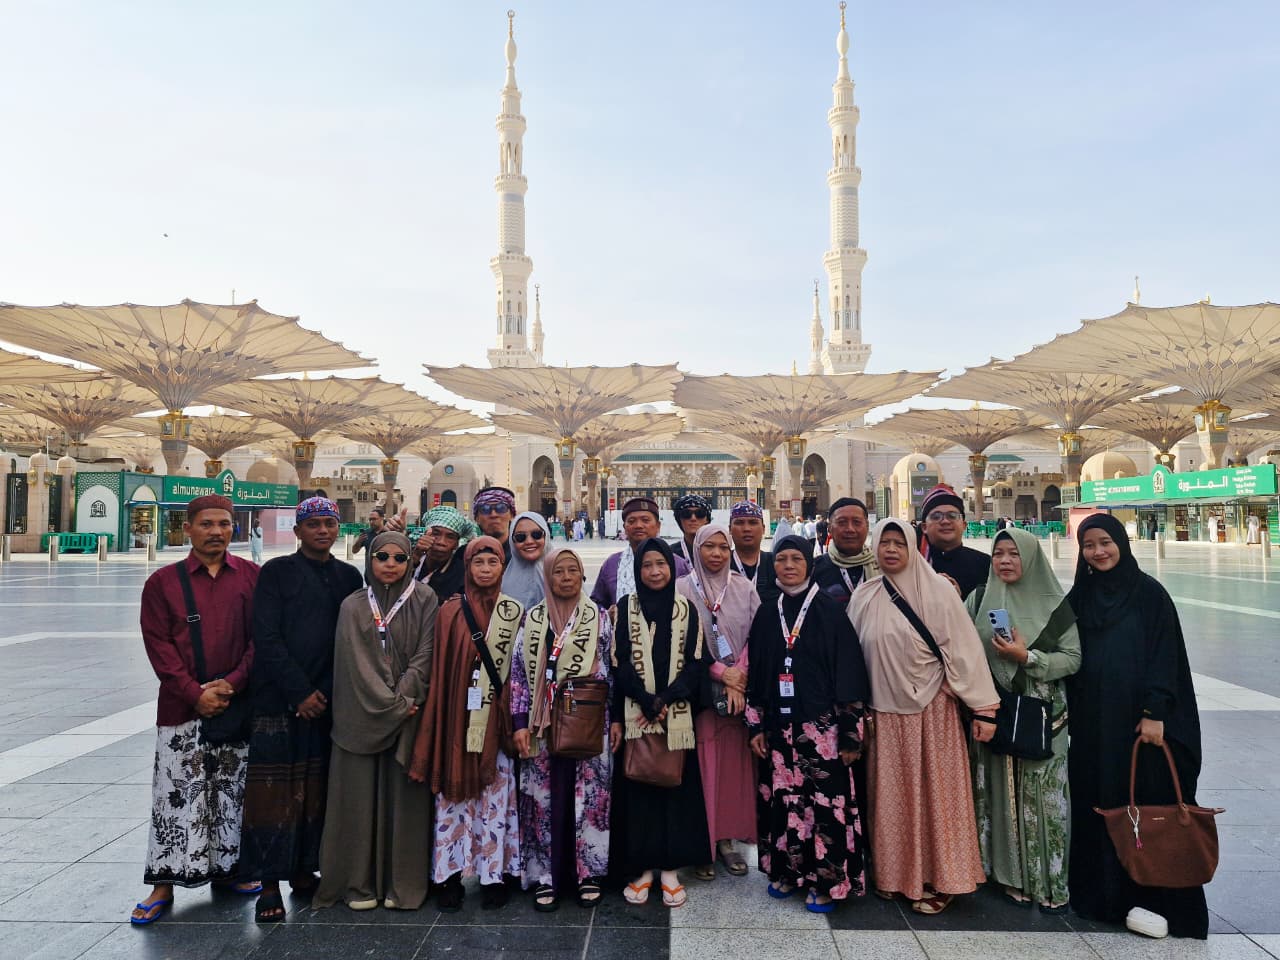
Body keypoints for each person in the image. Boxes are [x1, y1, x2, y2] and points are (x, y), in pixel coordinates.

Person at [1065, 514, 1207, 939]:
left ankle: (1158, 903)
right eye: (1089, 545)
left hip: (1140, 727)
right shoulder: (1081, 596)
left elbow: (1166, 655)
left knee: (1147, 807)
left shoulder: (1149, 595)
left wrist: (1155, 712)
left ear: (1121, 544)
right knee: (1100, 806)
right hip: (1094, 726)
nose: (1098, 552)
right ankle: (1105, 901)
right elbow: (1059, 648)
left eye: (1105, 542)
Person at [849, 518, 999, 915]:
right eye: (885, 542)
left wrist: (983, 709)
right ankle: (897, 876)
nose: (891, 550)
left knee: (936, 800)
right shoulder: (865, 595)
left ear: (914, 547)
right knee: (892, 801)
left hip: (932, 713)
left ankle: (942, 881)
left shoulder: (937, 592)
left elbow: (965, 651)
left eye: (900, 543)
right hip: (884, 714)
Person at [131, 495, 260, 925]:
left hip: (236, 704)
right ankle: (163, 884)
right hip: (181, 709)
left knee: (231, 793)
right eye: (206, 524)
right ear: (188, 528)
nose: (217, 532)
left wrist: (233, 683)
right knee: (176, 797)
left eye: (224, 523)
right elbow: (159, 645)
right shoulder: (162, 583)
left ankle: (230, 871)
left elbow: (261, 639)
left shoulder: (252, 577)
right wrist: (194, 693)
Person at [239, 497, 364, 923]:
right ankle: (269, 883)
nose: (323, 531)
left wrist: (321, 693)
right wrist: (299, 692)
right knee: (272, 794)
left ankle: (305, 868)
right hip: (279, 699)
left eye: (329, 523)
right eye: (313, 524)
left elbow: (351, 641)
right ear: (298, 531)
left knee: (316, 789)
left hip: (327, 701)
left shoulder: (348, 576)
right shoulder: (277, 572)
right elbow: (266, 636)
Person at [313, 532, 438, 911]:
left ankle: (402, 882)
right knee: (358, 799)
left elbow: (426, 653)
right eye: (382, 556)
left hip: (409, 712)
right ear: (370, 560)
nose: (390, 564)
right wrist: (391, 704)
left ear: (410, 562)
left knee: (404, 801)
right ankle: (358, 882)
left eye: (400, 558)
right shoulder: (353, 605)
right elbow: (354, 663)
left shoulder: (425, 598)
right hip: (361, 714)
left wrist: (404, 698)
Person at [747, 535, 869, 912]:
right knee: (783, 802)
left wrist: (850, 734)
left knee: (824, 806)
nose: (787, 565)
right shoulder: (768, 612)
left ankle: (826, 881)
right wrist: (755, 725)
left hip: (822, 730)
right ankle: (788, 871)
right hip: (780, 730)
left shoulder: (829, 611)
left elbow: (849, 672)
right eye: (781, 559)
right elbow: (757, 672)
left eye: (795, 559)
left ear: (809, 564)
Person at [966, 526, 1080, 914]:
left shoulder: (1056, 604)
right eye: (998, 554)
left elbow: (1073, 658)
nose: (1005, 561)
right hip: (995, 714)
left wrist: (1028, 657)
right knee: (998, 793)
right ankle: (1007, 877)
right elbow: (961, 647)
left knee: (1043, 802)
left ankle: (1047, 882)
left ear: (1030, 558)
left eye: (1014, 554)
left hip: (1043, 718)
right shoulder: (979, 598)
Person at [409, 536, 524, 911]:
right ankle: (449, 876)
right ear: (467, 567)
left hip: (496, 721)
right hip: (457, 717)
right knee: (455, 799)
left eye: (493, 562)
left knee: (495, 798)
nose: (486, 569)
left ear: (503, 567)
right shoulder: (450, 611)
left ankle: (493, 875)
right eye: (478, 563)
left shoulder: (513, 612)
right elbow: (440, 669)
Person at [511, 547, 616, 911]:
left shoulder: (598, 617)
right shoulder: (533, 619)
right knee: (544, 800)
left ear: (582, 575)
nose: (567, 577)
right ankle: (546, 876)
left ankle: (588, 874)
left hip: (588, 722)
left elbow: (611, 671)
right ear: (548, 577)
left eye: (573, 570)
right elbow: (518, 674)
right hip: (541, 725)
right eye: (559, 571)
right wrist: (520, 723)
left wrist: (614, 720)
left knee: (588, 797)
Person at [612, 538, 710, 908]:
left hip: (675, 716)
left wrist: (664, 700)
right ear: (638, 571)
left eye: (661, 564)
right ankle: (643, 869)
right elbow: (620, 660)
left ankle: (669, 869)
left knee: (674, 791)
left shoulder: (687, 609)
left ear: (672, 567)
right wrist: (644, 699)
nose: (654, 572)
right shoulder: (626, 608)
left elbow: (696, 663)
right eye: (647, 565)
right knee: (639, 793)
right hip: (636, 714)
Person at [676, 523, 759, 880]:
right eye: (709, 546)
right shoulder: (682, 589)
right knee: (702, 767)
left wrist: (738, 675)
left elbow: (758, 635)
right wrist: (720, 673)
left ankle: (726, 840)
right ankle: (702, 842)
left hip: (739, 693)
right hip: (701, 696)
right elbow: (680, 642)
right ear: (696, 550)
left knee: (732, 769)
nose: (716, 554)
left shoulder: (743, 588)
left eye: (723, 547)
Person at [590, 497, 689, 614]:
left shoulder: (677, 564)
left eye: (645, 520)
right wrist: (607, 614)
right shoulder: (612, 564)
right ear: (624, 528)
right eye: (631, 521)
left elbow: (691, 603)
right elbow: (595, 604)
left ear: (658, 526)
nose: (638, 525)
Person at [918, 484, 990, 599]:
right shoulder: (912, 565)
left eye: (952, 516)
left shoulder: (986, 565)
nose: (945, 521)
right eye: (936, 516)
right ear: (924, 527)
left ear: (964, 525)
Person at [812, 497, 879, 607]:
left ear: (867, 526)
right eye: (842, 523)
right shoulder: (814, 569)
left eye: (857, 522)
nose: (850, 529)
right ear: (829, 528)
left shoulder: (882, 567)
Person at [413, 505, 476, 601]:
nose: (441, 542)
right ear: (426, 534)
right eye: (436, 534)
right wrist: (415, 556)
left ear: (456, 544)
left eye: (450, 537)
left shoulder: (463, 575)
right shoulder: (409, 560)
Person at [728, 500, 779, 605]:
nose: (746, 529)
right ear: (730, 529)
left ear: (763, 529)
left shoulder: (776, 563)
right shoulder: (721, 564)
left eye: (753, 522)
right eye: (739, 523)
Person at [504, 511, 552, 609]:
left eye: (536, 534)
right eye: (520, 537)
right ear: (512, 541)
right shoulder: (500, 578)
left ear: (546, 536)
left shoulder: (566, 572)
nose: (529, 541)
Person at [473, 486, 517, 559]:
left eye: (501, 508)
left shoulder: (523, 552)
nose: (493, 515)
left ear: (512, 515)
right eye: (485, 509)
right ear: (477, 518)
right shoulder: (466, 554)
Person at [670, 493, 713, 562]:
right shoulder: (669, 553)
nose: (693, 518)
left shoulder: (717, 551)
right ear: (679, 520)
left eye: (699, 513)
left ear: (707, 520)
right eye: (686, 514)